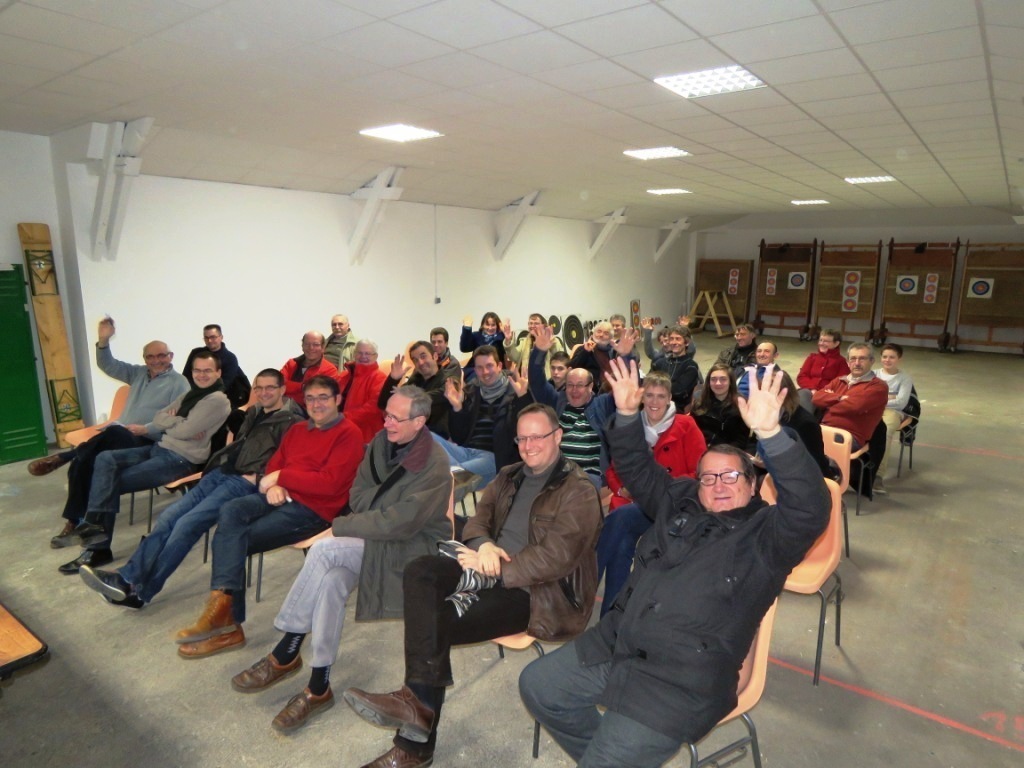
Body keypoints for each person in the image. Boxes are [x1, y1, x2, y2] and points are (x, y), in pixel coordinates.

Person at [518, 358, 830, 767]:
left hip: (678, 681)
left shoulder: (769, 536)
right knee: (539, 686)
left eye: (731, 477)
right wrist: (626, 413)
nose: (718, 485)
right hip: (616, 644)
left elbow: (810, 508)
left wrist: (771, 434)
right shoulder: (679, 501)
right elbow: (637, 468)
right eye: (708, 478)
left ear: (753, 485)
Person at [342, 404, 603, 768]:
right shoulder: (510, 475)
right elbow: (478, 521)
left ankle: (414, 743)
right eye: (521, 438)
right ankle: (416, 708)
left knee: (433, 620)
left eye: (537, 437)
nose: (527, 446)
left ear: (558, 436)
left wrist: (495, 568)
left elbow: (556, 558)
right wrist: (484, 546)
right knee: (420, 571)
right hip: (486, 566)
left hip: (537, 594)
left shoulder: (578, 490)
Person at [229, 386, 453, 732]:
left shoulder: (434, 462)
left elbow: (402, 523)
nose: (387, 423)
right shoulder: (380, 443)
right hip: (371, 535)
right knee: (331, 579)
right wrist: (373, 514)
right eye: (387, 415)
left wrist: (343, 525)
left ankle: (287, 648)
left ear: (420, 421)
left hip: (411, 549)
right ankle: (318, 685)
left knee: (323, 549)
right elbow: (357, 494)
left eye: (396, 418)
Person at [77, 369, 305, 608]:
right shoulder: (255, 411)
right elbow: (242, 444)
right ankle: (128, 578)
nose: (263, 392)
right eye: (259, 387)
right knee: (169, 517)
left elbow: (292, 462)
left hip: (244, 484)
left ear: (282, 389)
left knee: (186, 525)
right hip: (221, 472)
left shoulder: (292, 421)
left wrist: (260, 478)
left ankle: (138, 590)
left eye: (270, 388)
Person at [174, 375, 364, 658]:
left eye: (324, 398)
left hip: (314, 509)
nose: (316, 404)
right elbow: (274, 465)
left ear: (338, 399)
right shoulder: (298, 429)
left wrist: (282, 477)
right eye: (310, 399)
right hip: (280, 496)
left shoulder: (349, 434)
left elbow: (330, 484)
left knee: (233, 539)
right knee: (231, 510)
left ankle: (227, 624)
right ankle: (224, 615)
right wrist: (275, 484)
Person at [60, 351, 231, 575]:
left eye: (207, 370)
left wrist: (174, 422)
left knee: (108, 481)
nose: (201, 375)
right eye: (197, 370)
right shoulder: (192, 394)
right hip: (159, 448)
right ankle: (94, 526)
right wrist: (178, 422)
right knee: (104, 458)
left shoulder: (217, 400)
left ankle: (97, 548)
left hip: (180, 459)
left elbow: (182, 430)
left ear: (218, 373)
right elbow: (159, 417)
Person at [34, 318, 189, 548]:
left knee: (112, 434)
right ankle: (74, 521)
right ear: (144, 359)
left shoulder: (180, 383)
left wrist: (146, 428)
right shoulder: (138, 373)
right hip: (119, 434)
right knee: (83, 461)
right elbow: (108, 365)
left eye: (161, 355)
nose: (156, 360)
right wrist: (103, 340)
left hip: (147, 438)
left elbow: (176, 420)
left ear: (171, 356)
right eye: (150, 357)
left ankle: (65, 456)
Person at [597, 371, 705, 616]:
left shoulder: (686, 425)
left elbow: (699, 472)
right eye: (649, 395)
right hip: (632, 501)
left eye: (661, 396)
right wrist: (621, 488)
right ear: (642, 398)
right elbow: (614, 468)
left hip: (672, 505)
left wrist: (660, 490)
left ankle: (584, 585)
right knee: (621, 545)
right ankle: (611, 616)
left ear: (669, 399)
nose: (655, 402)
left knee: (619, 520)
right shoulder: (630, 423)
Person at [529, 325, 638, 488]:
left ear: (590, 386)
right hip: (558, 474)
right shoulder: (558, 401)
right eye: (570, 385)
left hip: (589, 478)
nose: (574, 390)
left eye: (580, 385)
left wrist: (626, 355)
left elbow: (628, 385)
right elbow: (536, 382)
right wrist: (539, 351)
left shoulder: (603, 404)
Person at [434, 345, 530, 487]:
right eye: (480, 368)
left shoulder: (515, 391)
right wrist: (457, 407)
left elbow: (524, 431)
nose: (485, 372)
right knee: (427, 436)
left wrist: (522, 399)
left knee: (446, 477)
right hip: (468, 453)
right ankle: (456, 475)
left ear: (499, 366)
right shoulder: (470, 392)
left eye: (489, 366)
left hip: (495, 458)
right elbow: (459, 438)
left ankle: (453, 476)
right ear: (475, 370)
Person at [812, 343, 889, 450]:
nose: (857, 363)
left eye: (862, 359)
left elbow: (855, 406)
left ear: (872, 361)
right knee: (795, 434)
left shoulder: (878, 386)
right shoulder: (838, 380)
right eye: (853, 359)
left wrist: (829, 403)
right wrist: (840, 398)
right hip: (824, 429)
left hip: (849, 436)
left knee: (808, 444)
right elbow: (816, 398)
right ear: (848, 362)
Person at [378, 341, 460, 438]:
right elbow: (383, 404)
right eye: (415, 360)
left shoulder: (449, 381)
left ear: (435, 356)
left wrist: (408, 397)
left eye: (423, 356)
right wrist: (393, 380)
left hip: (436, 437)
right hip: (410, 436)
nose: (420, 362)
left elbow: (437, 397)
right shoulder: (415, 381)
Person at [874, 343, 914, 490]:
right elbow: (863, 394)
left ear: (899, 359)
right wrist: (890, 396)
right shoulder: (873, 374)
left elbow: (901, 402)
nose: (887, 360)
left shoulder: (904, 378)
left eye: (892, 357)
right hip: (871, 409)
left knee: (884, 432)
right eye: (884, 356)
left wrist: (878, 399)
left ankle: (877, 475)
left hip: (893, 412)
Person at [182, 323, 249, 408]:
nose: (209, 341)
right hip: (193, 396)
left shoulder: (230, 358)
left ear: (221, 337)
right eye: (206, 338)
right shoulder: (195, 353)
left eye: (213, 337)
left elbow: (224, 385)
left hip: (218, 402)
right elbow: (186, 377)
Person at [643, 321, 700, 411]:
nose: (674, 342)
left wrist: (656, 385)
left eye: (678, 339)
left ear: (686, 342)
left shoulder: (691, 366)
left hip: (676, 408)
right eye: (671, 339)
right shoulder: (659, 362)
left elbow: (678, 391)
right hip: (655, 403)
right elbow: (647, 382)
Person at [338, 340, 387, 443]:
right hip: (340, 430)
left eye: (367, 353)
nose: (363, 356)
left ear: (376, 356)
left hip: (366, 435)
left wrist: (344, 418)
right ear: (354, 354)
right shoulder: (343, 376)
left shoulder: (379, 378)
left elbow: (373, 408)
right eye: (359, 353)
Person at [690, 362, 750, 449]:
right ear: (708, 382)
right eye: (713, 379)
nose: (718, 383)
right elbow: (692, 432)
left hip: (729, 451)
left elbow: (741, 440)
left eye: (723, 379)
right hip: (701, 449)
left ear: (730, 382)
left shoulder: (740, 405)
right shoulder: (699, 404)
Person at [281, 331, 341, 410]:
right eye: (307, 344)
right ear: (302, 346)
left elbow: (317, 395)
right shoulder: (291, 363)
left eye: (315, 344)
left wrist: (290, 386)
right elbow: (278, 385)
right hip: (283, 406)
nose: (311, 348)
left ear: (323, 348)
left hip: (309, 412)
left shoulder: (329, 370)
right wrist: (302, 386)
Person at [796, 329, 849, 412]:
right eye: (820, 340)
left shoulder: (841, 361)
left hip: (827, 395)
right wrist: (812, 389)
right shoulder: (812, 357)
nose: (821, 343)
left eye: (826, 341)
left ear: (836, 343)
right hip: (808, 391)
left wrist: (822, 393)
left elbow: (841, 383)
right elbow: (801, 377)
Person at [504, 313, 564, 381]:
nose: (532, 326)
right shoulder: (524, 342)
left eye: (536, 323)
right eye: (530, 323)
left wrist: (551, 343)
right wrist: (508, 340)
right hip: (527, 381)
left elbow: (560, 358)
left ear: (544, 326)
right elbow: (514, 357)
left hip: (545, 381)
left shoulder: (552, 340)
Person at [569, 321, 621, 392]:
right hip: (591, 390)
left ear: (611, 338)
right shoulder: (583, 348)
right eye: (599, 331)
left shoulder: (614, 351)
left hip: (612, 389)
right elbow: (572, 367)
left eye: (606, 333)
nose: (601, 335)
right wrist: (585, 351)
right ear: (593, 333)